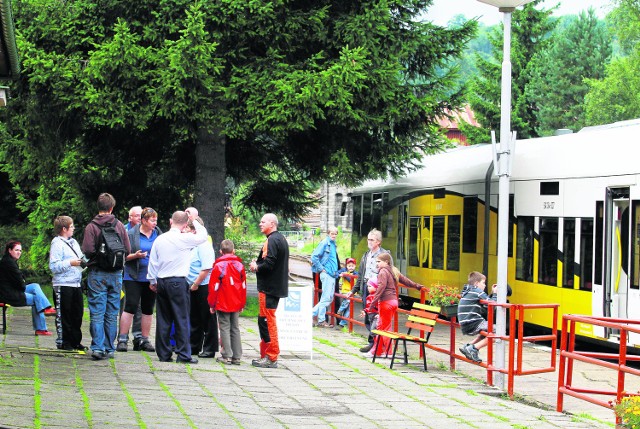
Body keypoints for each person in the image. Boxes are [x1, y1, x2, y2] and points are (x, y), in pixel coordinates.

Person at [147, 211, 207, 364]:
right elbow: (202, 237)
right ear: (186, 224)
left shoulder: (160, 239)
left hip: (162, 280)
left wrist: (152, 281)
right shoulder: (184, 238)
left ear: (170, 221)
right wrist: (196, 221)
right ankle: (183, 354)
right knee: (181, 318)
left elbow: (153, 262)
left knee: (163, 318)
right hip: (178, 281)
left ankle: (163, 354)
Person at [82, 193, 131, 360]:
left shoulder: (92, 227)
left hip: (97, 273)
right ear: (112, 208)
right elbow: (127, 250)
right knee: (112, 312)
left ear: (99, 207)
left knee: (97, 312)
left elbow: (88, 250)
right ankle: (110, 348)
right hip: (116, 274)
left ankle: (97, 348)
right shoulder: (119, 226)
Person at [116, 207, 162, 353]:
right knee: (130, 305)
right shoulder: (131, 234)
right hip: (133, 276)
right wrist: (135, 256)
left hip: (151, 277)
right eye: (152, 220)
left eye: (156, 220)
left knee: (148, 308)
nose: (155, 223)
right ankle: (122, 338)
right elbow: (122, 256)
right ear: (143, 221)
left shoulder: (158, 234)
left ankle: (144, 339)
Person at [249, 213, 289, 369]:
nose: (260, 224)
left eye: (263, 221)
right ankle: (266, 354)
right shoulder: (280, 239)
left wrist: (256, 267)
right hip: (273, 287)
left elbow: (269, 263)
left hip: (268, 288)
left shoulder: (272, 240)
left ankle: (271, 357)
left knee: (267, 321)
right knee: (264, 320)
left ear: (272, 223)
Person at [0, 240, 55, 335]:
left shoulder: (9, 260)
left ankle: (46, 308)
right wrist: (22, 282)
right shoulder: (8, 263)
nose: (19, 253)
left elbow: (19, 280)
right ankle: (40, 328)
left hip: (13, 290)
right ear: (9, 250)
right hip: (8, 295)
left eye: (20, 251)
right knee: (36, 299)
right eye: (16, 250)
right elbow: (20, 282)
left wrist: (22, 282)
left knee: (35, 286)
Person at [347, 229, 389, 352]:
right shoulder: (366, 255)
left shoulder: (384, 255)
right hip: (366, 287)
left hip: (377, 288)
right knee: (367, 315)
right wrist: (354, 290)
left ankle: (374, 343)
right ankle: (374, 342)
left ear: (379, 242)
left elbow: (390, 271)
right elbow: (360, 274)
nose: (369, 242)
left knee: (375, 316)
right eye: (368, 239)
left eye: (372, 240)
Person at [49, 216, 85, 350]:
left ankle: (76, 340)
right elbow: (54, 266)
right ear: (64, 229)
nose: (74, 228)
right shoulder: (57, 243)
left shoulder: (74, 242)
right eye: (71, 226)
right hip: (63, 284)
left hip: (76, 283)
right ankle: (64, 341)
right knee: (65, 313)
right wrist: (70, 263)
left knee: (77, 313)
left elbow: (81, 258)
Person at [208, 239, 246, 365]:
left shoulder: (218, 266)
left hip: (222, 302)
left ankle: (227, 355)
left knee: (224, 327)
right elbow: (243, 286)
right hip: (236, 302)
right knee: (235, 327)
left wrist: (212, 304)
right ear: (233, 251)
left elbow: (213, 287)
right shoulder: (240, 266)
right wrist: (242, 303)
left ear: (220, 252)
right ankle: (237, 356)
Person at [187, 216, 218, 359]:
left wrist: (196, 284)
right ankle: (194, 346)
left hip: (203, 285)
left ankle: (210, 348)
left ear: (194, 230)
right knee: (194, 317)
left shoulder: (204, 245)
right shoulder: (192, 245)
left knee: (207, 317)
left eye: (187, 228)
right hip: (193, 286)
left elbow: (206, 268)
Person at [458, 271, 498, 363]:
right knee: (498, 331)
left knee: (488, 330)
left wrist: (491, 293)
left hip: (465, 323)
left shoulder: (468, 291)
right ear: (476, 283)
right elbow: (492, 305)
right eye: (483, 283)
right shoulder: (477, 291)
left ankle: (468, 346)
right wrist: (495, 294)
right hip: (473, 322)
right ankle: (474, 348)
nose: (484, 286)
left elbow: (485, 305)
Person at [365, 253, 398, 358]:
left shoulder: (383, 272)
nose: (377, 264)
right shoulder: (393, 271)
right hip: (394, 301)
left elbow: (381, 288)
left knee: (385, 328)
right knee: (381, 327)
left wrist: (372, 303)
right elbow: (404, 280)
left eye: (379, 261)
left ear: (386, 262)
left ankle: (388, 352)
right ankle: (376, 351)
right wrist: (417, 286)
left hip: (386, 302)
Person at [120, 205, 144, 350]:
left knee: (140, 307)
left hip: (142, 275)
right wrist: (134, 256)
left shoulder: (148, 231)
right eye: (137, 216)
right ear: (130, 217)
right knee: (126, 306)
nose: (139, 219)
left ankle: (138, 337)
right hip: (126, 275)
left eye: (141, 216)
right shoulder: (124, 230)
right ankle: (122, 338)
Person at [311, 227, 340, 328]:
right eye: (332, 233)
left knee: (328, 298)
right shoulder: (324, 243)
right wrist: (321, 268)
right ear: (328, 233)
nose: (334, 235)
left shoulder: (333, 244)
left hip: (332, 274)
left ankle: (320, 320)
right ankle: (315, 317)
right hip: (327, 273)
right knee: (326, 298)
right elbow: (314, 256)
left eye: (335, 234)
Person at [335, 257, 359, 328]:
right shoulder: (344, 270)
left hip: (352, 292)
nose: (351, 268)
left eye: (352, 266)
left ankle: (342, 322)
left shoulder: (356, 273)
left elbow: (352, 280)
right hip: (345, 291)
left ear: (355, 266)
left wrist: (346, 275)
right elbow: (336, 273)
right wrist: (340, 275)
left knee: (349, 308)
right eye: (349, 266)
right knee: (347, 301)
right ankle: (340, 310)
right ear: (346, 266)